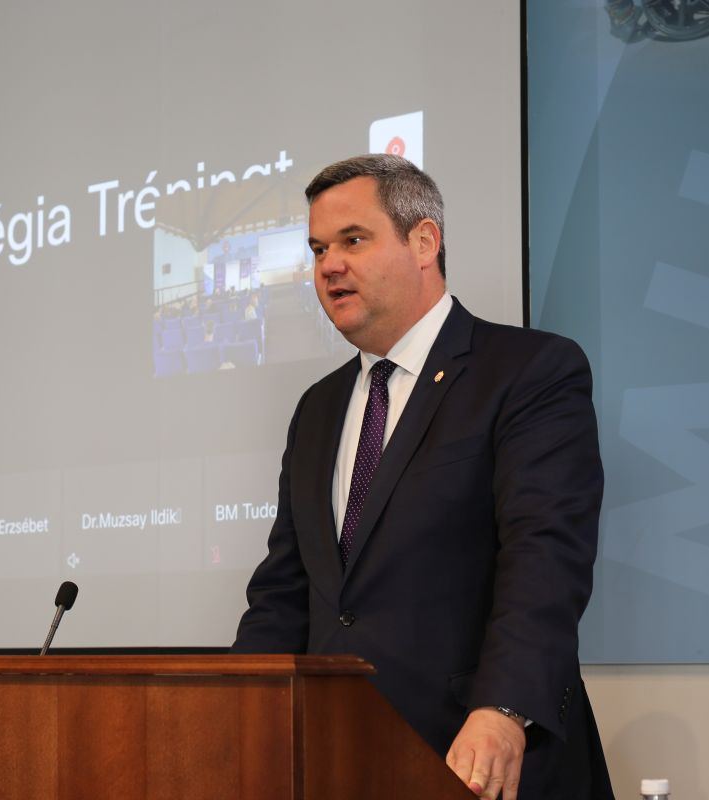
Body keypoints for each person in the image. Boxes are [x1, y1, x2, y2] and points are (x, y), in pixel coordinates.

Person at [232, 154, 612, 800]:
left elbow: (546, 558)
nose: (329, 265)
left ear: (424, 242)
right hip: (339, 761)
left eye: (353, 240)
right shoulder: (318, 408)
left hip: (480, 761)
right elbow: (285, 592)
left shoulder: (527, 371)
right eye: (319, 249)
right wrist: (232, 711)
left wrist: (504, 708)